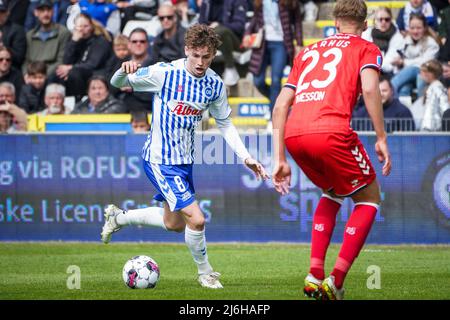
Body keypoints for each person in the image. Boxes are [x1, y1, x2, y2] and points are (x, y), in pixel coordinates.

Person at [104, 24, 269, 289]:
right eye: (196, 55)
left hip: (184, 162)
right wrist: (124, 71)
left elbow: (225, 124)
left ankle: (119, 218)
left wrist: (246, 157)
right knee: (197, 219)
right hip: (159, 159)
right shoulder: (164, 73)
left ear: (214, 54)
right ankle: (206, 273)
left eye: (207, 56)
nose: (201, 62)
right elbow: (116, 84)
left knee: (175, 224)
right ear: (186, 50)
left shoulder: (214, 84)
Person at [271, 0, 392, 300]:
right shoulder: (367, 49)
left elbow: (280, 105)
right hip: (331, 131)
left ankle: (314, 275)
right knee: (369, 199)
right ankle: (335, 280)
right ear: (365, 25)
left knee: (332, 191)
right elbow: (370, 88)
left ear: (335, 22)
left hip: (294, 134)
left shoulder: (307, 52)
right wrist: (381, 137)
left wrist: (279, 158)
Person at [241, 0, 303, 131]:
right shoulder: (259, 2)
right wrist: (247, 33)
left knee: (276, 81)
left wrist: (299, 42)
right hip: (262, 44)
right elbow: (255, 20)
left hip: (281, 43)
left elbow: (297, 22)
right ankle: (276, 102)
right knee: (258, 80)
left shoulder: (289, 3)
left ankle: (272, 118)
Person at [51, 13, 112, 98]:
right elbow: (66, 61)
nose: (81, 29)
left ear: (91, 26)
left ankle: (78, 100)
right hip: (78, 72)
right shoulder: (74, 40)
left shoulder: (101, 41)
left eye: (85, 26)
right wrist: (74, 42)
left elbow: (93, 64)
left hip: (96, 73)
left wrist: (71, 68)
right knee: (56, 74)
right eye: (79, 26)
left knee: (74, 74)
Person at [383, 13, 439, 98]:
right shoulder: (406, 41)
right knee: (404, 89)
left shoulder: (432, 43)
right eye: (412, 28)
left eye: (419, 28)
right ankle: (401, 109)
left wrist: (403, 62)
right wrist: (398, 61)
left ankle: (389, 89)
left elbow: (424, 64)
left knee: (414, 69)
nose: (415, 31)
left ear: (424, 28)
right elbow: (396, 55)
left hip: (426, 75)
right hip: (409, 77)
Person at [199, 0, 248, 86]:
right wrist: (209, 29)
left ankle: (230, 67)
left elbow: (239, 26)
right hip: (210, 37)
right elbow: (201, 23)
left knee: (222, 32)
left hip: (234, 41)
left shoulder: (238, 1)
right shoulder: (206, 2)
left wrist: (218, 26)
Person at [24, 0, 72, 76]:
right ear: (36, 13)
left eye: (48, 10)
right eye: (42, 10)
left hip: (52, 73)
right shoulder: (30, 35)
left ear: (53, 12)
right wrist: (26, 75)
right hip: (32, 73)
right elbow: (26, 61)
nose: (46, 14)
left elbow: (60, 60)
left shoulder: (63, 33)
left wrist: (42, 75)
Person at [117, 27, 153, 113]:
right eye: (134, 41)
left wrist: (133, 87)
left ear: (148, 44)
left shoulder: (156, 65)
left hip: (146, 113)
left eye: (142, 41)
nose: (138, 44)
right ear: (129, 44)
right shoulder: (119, 62)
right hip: (119, 111)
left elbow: (156, 93)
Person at [418, 59, 450, 131]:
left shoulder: (438, 87)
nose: (420, 75)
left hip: (434, 127)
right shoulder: (431, 87)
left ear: (429, 74)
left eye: (422, 72)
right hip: (427, 126)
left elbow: (445, 107)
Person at [0, 1, 27, 70]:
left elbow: (19, 58)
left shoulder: (17, 30)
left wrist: (4, 48)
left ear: (8, 12)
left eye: (2, 12)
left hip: (10, 71)